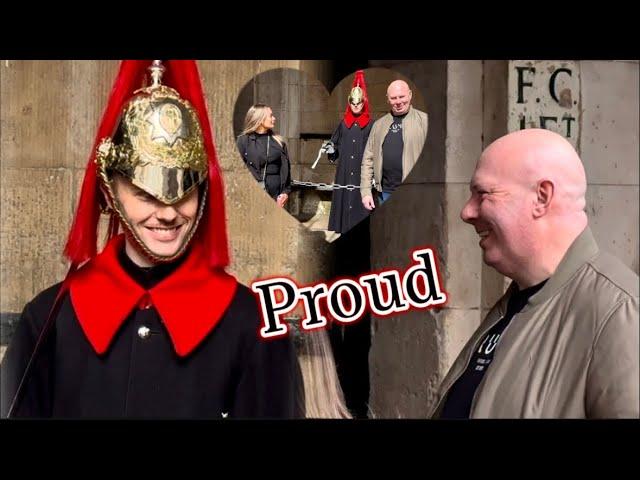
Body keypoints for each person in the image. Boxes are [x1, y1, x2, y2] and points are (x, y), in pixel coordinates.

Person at [0, 60, 302, 419]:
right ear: (110, 192)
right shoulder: (49, 317)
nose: (169, 213)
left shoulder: (252, 324)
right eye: (146, 193)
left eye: (183, 190)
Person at [430, 128, 639, 419]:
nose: (467, 212)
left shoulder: (621, 313)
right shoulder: (516, 304)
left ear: (542, 197)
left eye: (483, 194)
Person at [360, 79, 428, 210]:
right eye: (393, 98)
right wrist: (366, 192)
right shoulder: (379, 125)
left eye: (402, 96)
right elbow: (368, 159)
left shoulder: (424, 121)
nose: (398, 102)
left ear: (410, 95)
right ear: (388, 99)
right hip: (385, 193)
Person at [325, 70, 372, 235]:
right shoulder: (343, 124)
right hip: (344, 172)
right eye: (353, 103)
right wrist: (331, 149)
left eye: (359, 103)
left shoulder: (371, 125)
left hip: (362, 173)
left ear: (364, 103)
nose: (356, 106)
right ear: (349, 103)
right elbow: (334, 147)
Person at [237, 104, 292, 208]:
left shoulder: (279, 142)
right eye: (271, 116)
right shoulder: (244, 141)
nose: (274, 118)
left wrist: (285, 193)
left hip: (276, 197)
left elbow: (286, 170)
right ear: (260, 119)